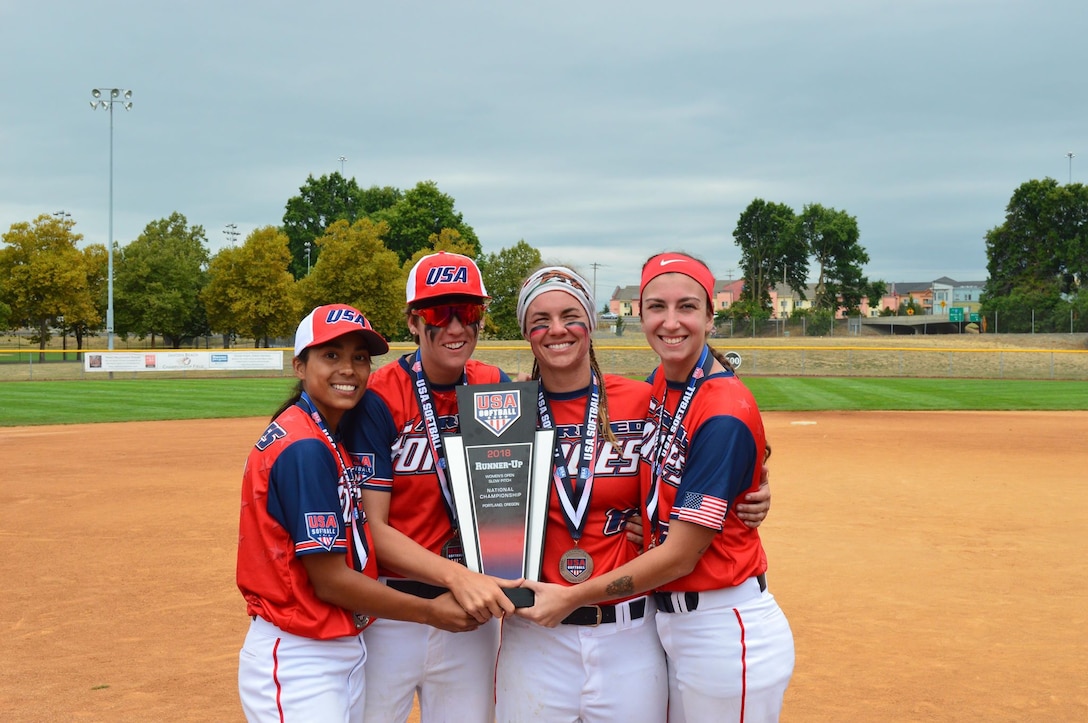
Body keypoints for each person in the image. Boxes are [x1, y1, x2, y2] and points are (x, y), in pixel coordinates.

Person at [518, 253, 795, 722]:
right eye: (656, 308)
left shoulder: (719, 405)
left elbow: (684, 552)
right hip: (669, 627)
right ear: (639, 315)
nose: (670, 322)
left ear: (710, 316)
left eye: (686, 307)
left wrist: (572, 596)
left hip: (719, 621)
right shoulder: (662, 388)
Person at [236, 304, 478, 722]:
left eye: (359, 357)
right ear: (299, 365)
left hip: (332, 648)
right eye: (331, 355)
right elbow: (329, 580)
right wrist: (428, 611)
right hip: (300, 654)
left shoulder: (323, 435)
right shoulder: (305, 448)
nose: (347, 369)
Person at [340, 251, 518, 723]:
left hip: (471, 612)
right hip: (393, 610)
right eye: (441, 313)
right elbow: (371, 529)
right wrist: (456, 578)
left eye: (470, 312)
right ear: (415, 322)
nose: (458, 327)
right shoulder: (378, 397)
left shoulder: (493, 385)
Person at [495, 265, 668, 721]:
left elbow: (701, 462)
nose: (556, 330)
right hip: (534, 636)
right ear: (526, 333)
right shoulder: (503, 415)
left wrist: (755, 488)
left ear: (590, 322)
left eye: (570, 315)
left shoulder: (643, 400)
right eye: (540, 320)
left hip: (629, 635)